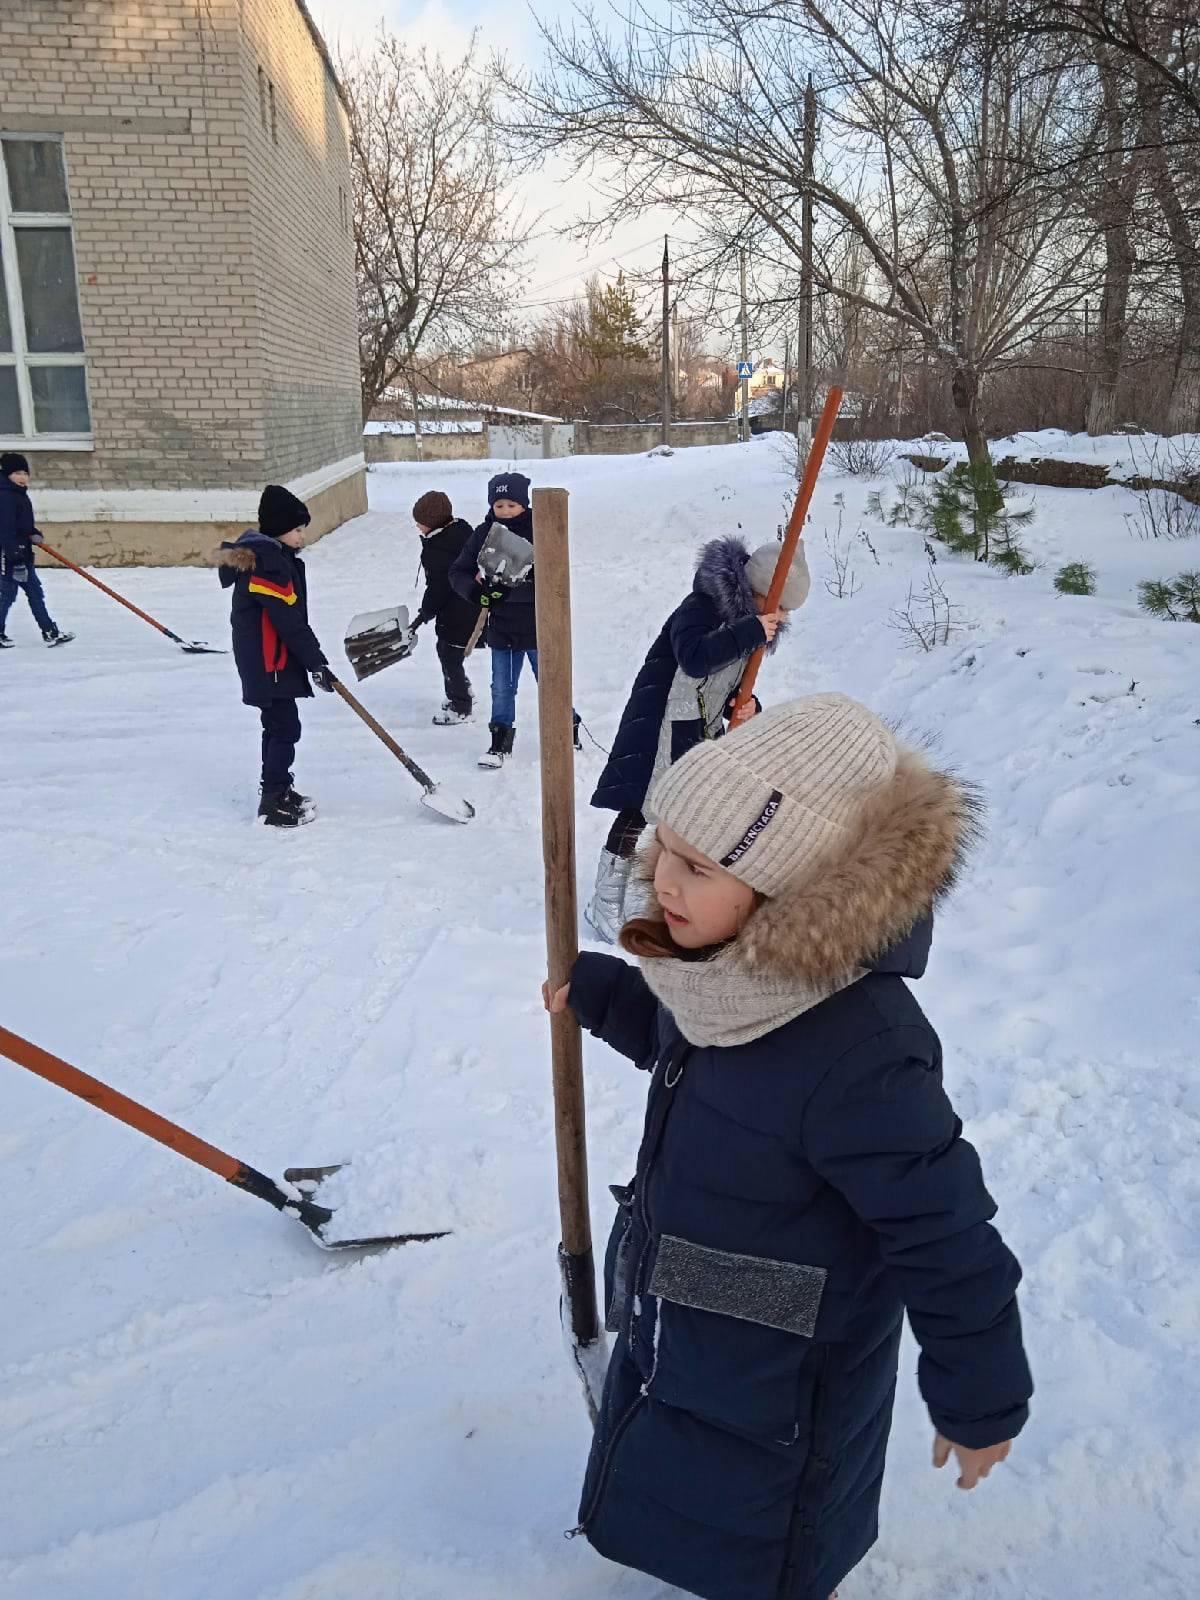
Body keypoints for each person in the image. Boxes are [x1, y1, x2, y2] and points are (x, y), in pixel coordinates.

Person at [545, 694, 1032, 1600]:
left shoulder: (865, 1050)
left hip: (785, 1366)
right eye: (665, 856)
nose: (666, 886)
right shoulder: (730, 977)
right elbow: (691, 1044)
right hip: (700, 1308)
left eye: (697, 867)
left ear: (790, 887)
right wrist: (605, 994)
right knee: (688, 1485)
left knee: (768, 1541)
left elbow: (945, 1233)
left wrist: (982, 1398)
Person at [584, 535, 808, 941]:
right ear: (758, 592)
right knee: (641, 808)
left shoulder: (750, 628)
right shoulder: (703, 606)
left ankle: (645, 897)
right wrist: (749, 632)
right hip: (659, 724)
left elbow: (723, 685)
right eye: (781, 606)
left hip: (695, 730)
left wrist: (746, 705)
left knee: (679, 813)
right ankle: (605, 901)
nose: (784, 617)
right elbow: (695, 657)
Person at [217, 485, 333, 827]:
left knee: (278, 725)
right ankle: (272, 803)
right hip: (271, 664)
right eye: (297, 530)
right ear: (280, 529)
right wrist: (316, 663)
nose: (302, 536)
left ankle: (279, 788)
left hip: (271, 661)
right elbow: (289, 622)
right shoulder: (268, 566)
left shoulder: (273, 559)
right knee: (285, 727)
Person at [449, 470, 582, 768]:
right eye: (499, 505)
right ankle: (499, 743)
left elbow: (551, 577)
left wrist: (509, 591)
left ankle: (567, 727)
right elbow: (458, 571)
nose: (505, 511)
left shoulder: (540, 529)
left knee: (550, 683)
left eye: (511, 504)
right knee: (502, 686)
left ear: (523, 503)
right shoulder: (483, 533)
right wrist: (477, 593)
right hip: (503, 628)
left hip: (540, 625)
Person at [411, 489, 484, 725]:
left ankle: (461, 705)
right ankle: (462, 689)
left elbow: (438, 588)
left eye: (420, 524)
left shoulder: (441, 550)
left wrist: (425, 612)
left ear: (432, 524)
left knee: (449, 655)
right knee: (450, 653)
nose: (418, 528)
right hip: (468, 605)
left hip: (458, 612)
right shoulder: (460, 531)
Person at [0, 452, 73, 648]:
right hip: (9, 555)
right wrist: (16, 562)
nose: (22, 477)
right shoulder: (5, 496)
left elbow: (21, 524)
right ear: (7, 474)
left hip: (23, 553)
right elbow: (5, 531)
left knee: (35, 592)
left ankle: (50, 631)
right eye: (17, 473)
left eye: (25, 473)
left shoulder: (18, 494)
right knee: (7, 595)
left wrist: (33, 533)